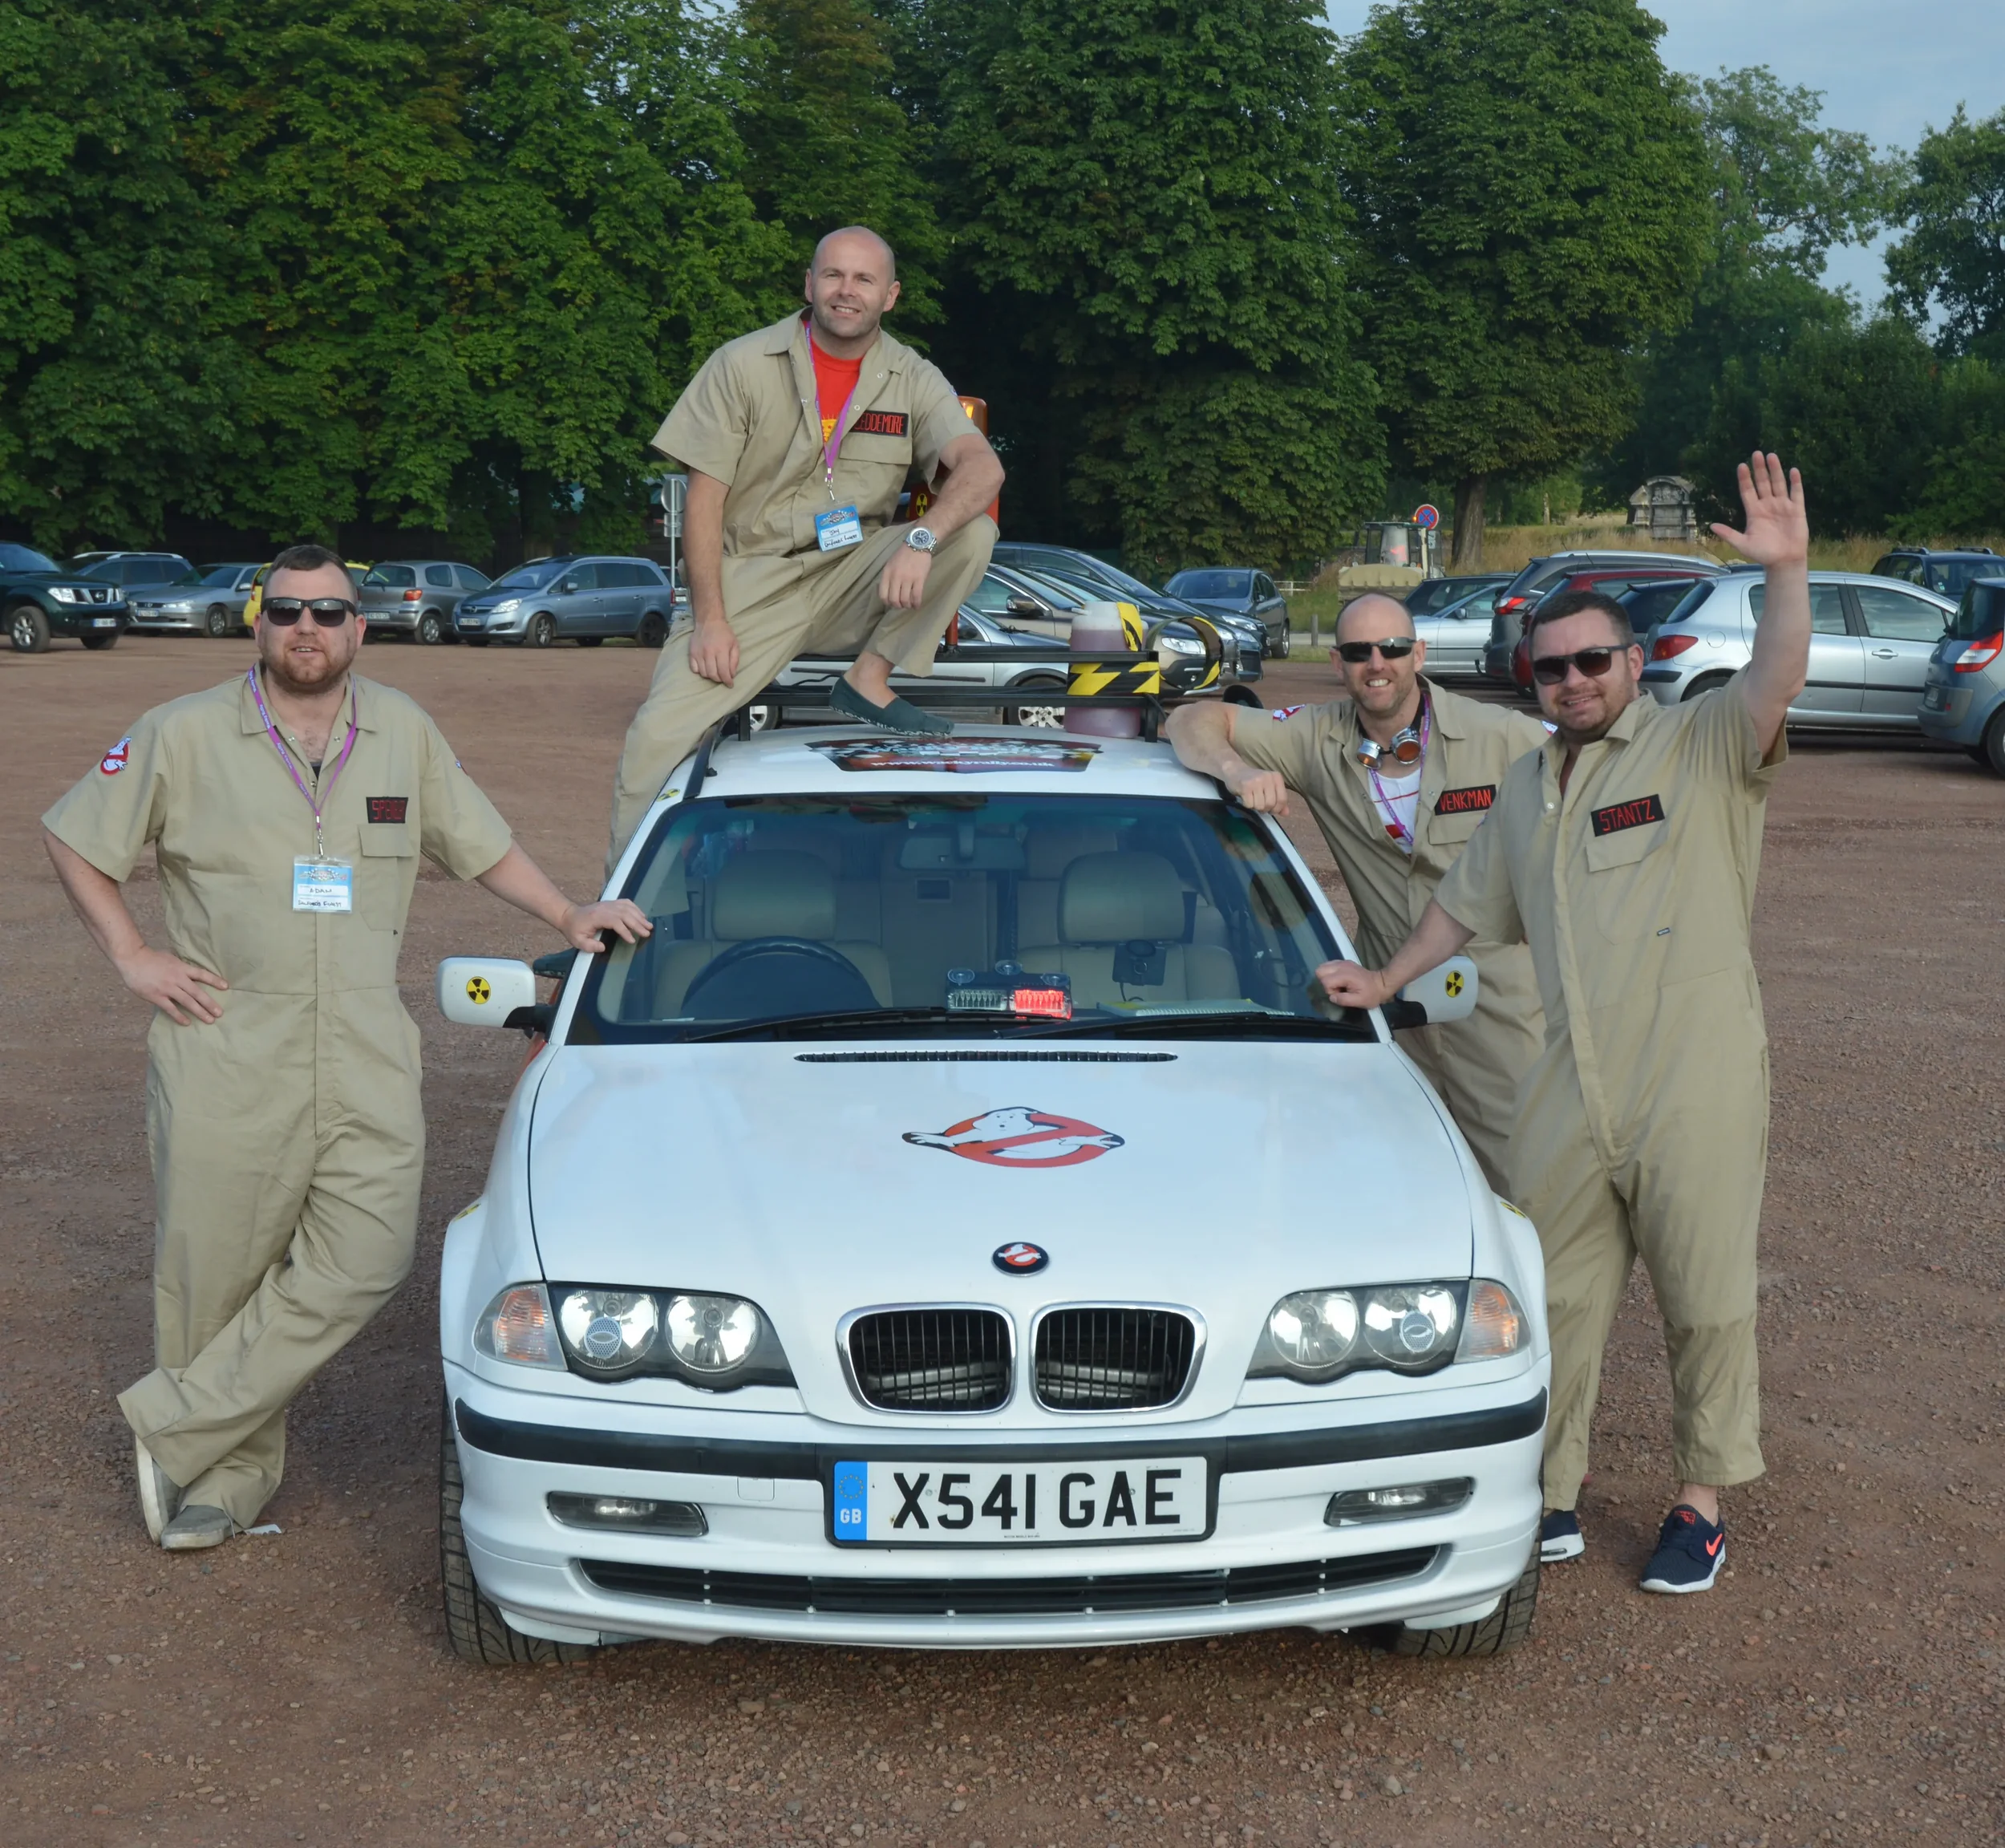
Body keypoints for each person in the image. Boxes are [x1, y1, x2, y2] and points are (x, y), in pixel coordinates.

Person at [43, 545, 651, 1551]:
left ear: (360, 628)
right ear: (260, 623)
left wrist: (564, 908)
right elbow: (74, 837)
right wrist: (134, 954)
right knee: (216, 1278)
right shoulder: (181, 733)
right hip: (226, 1046)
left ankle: (176, 1419)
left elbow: (479, 840)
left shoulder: (400, 731)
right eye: (287, 612)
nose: (308, 630)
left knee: (370, 1255)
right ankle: (215, 1486)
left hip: (366, 1045)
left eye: (329, 612)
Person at [1318, 454, 1812, 1595]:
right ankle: (1550, 1491)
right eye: (1553, 668)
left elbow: (1775, 680)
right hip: (1566, 1078)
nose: (1574, 681)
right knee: (1553, 1294)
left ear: (1634, 667)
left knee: (1705, 1292)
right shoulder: (1529, 789)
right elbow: (1464, 901)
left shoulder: (1699, 748)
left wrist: (1786, 574)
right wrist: (1386, 978)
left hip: (1692, 1076)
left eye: (1595, 661)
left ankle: (1701, 1501)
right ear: (1530, 681)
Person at [608, 225, 1007, 865]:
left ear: (891, 295)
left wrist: (923, 538)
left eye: (864, 280)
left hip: (853, 575)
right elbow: (704, 502)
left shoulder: (912, 375)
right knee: (655, 739)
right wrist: (710, 619)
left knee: (975, 529)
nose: (846, 291)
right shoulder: (740, 363)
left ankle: (868, 678)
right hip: (749, 586)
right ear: (809, 284)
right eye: (834, 275)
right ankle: (613, 920)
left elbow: (983, 469)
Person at [1164, 592, 1548, 1193]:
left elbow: (1591, 797)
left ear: (1417, 654)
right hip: (1391, 1011)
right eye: (1358, 651)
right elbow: (1189, 719)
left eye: (1393, 648)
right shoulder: (1317, 739)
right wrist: (1237, 771)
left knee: (1524, 1186)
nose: (1378, 663)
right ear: (1338, 664)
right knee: (1406, 1186)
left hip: (1499, 1008)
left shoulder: (1503, 735)